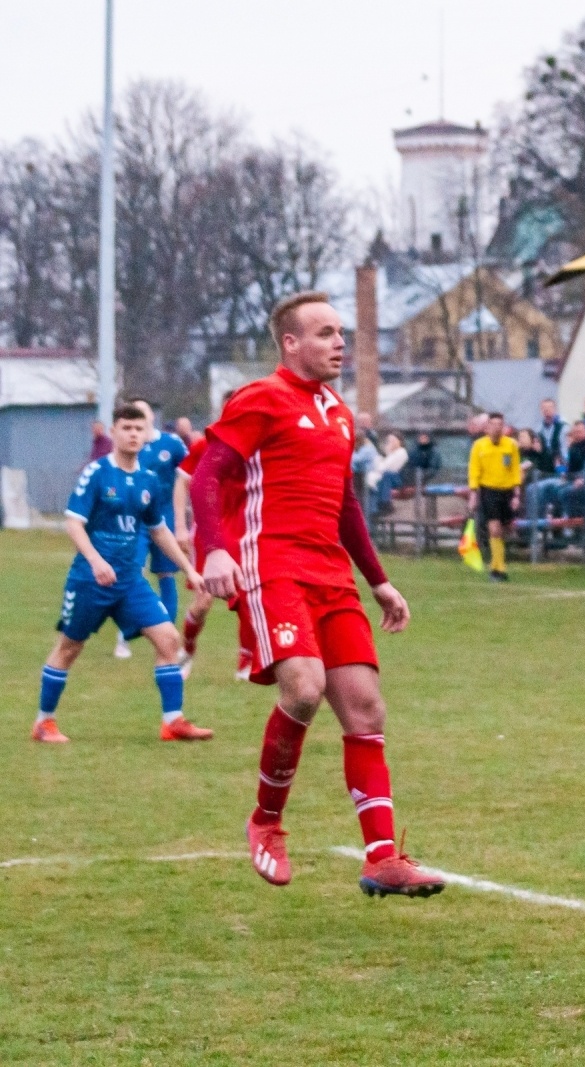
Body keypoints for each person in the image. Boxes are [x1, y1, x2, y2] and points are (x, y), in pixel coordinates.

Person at [192, 289, 443, 898]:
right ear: (292, 343)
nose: (340, 345)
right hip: (272, 566)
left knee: (365, 707)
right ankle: (266, 821)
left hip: (330, 575)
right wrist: (215, 549)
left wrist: (379, 580)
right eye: (327, 334)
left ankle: (382, 858)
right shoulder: (260, 398)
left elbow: (347, 505)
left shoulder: (337, 410)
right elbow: (206, 475)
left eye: (342, 334)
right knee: (303, 687)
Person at [33, 403, 211, 744]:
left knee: (169, 639)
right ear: (114, 433)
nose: (132, 434)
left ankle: (172, 722)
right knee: (70, 648)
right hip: (90, 580)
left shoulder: (147, 480)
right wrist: (97, 561)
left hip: (130, 583)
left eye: (137, 428)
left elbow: (158, 529)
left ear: (146, 434)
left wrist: (190, 567)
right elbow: (73, 523)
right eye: (126, 428)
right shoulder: (97, 473)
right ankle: (44, 722)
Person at [172, 415, 254, 683]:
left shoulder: (258, 445)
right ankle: (188, 647)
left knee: (248, 595)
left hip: (245, 530)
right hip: (209, 531)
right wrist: (180, 527)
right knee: (204, 600)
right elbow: (182, 481)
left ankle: (246, 660)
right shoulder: (207, 444)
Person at [113, 398, 189, 661]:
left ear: (151, 419)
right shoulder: (130, 450)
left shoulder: (171, 444)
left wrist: (182, 521)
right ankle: (124, 637)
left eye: (142, 416)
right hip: (135, 522)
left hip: (163, 519)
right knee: (132, 572)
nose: (138, 424)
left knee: (167, 575)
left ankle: (167, 638)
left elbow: (188, 474)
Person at [468, 412, 522, 582]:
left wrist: (516, 494)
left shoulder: (511, 445)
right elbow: (474, 470)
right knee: (494, 528)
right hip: (488, 491)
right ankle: (497, 569)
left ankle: (499, 565)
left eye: (500, 424)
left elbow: (515, 470)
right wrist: (473, 494)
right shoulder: (479, 446)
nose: (497, 427)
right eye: (493, 424)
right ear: (487, 427)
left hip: (507, 491)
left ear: (504, 426)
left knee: (504, 531)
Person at [367, 433, 409, 518]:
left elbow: (385, 467)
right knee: (372, 482)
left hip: (398, 479)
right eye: (389, 441)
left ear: (399, 441)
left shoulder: (401, 452)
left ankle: (385, 503)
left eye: (393, 440)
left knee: (385, 476)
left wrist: (383, 458)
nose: (391, 442)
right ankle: (374, 509)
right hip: (386, 477)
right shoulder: (391, 453)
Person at [534, 398, 566, 463]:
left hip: (559, 463)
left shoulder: (563, 427)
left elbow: (564, 449)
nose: (546, 410)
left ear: (555, 409)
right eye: (544, 408)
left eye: (550, 407)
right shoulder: (537, 429)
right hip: (543, 463)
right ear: (541, 410)